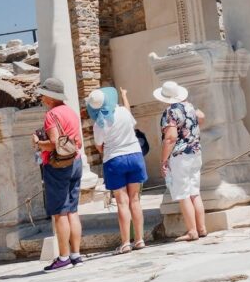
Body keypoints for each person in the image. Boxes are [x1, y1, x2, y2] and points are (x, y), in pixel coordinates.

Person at [86, 87, 147, 254]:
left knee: (122, 202)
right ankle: (140, 239)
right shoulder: (123, 112)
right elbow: (128, 113)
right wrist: (125, 95)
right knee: (135, 199)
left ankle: (126, 242)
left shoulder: (99, 123)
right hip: (135, 155)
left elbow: (100, 147)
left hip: (114, 160)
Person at [33, 78, 84, 271]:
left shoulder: (51, 115)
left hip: (57, 165)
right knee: (73, 210)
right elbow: (76, 140)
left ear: (50, 96)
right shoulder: (71, 112)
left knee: (60, 213)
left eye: (44, 93)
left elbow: (54, 143)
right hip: (75, 160)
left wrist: (38, 143)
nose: (42, 97)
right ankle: (76, 254)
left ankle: (63, 257)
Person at [155, 81, 207, 242]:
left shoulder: (170, 112)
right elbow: (202, 117)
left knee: (183, 193)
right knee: (194, 192)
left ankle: (192, 231)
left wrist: (163, 160)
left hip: (180, 156)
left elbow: (170, 138)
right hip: (195, 152)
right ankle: (201, 227)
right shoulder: (190, 107)